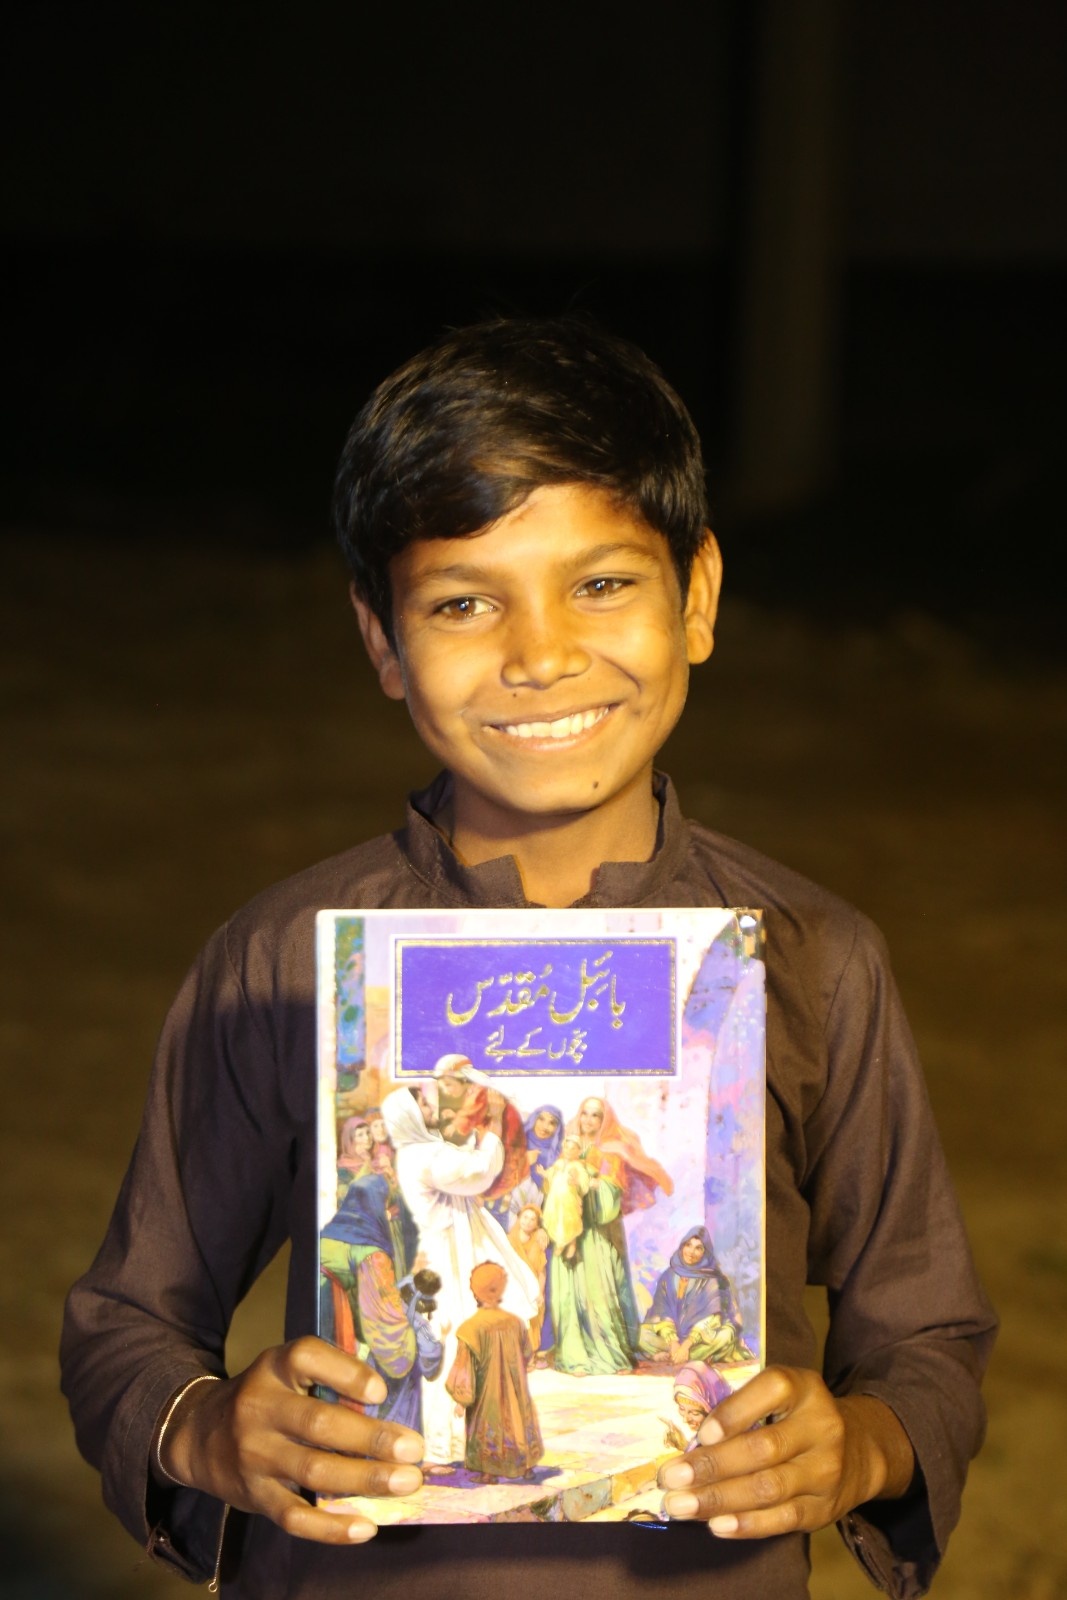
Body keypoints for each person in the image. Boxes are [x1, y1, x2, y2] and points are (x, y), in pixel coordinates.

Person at [60, 314, 996, 1599]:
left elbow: (926, 1338)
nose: (542, 655)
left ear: (697, 597)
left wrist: (859, 1446)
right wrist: (205, 1429)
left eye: (601, 584)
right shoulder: (282, 962)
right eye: (462, 602)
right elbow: (126, 1326)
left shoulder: (810, 961)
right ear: (382, 641)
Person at [381, 1083, 541, 1473]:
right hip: (444, 1260)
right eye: (423, 1103)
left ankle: (456, 1444)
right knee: (449, 1346)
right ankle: (438, 1450)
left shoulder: (421, 1151)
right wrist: (493, 1129)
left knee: (456, 1345)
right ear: (411, 1115)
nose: (430, 1106)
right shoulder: (423, 1154)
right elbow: (478, 1172)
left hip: (451, 1253)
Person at [445, 1262, 544, 1481]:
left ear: (474, 1290)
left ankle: (489, 1473)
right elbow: (527, 1354)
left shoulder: (470, 1329)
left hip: (487, 1396)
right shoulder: (515, 1323)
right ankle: (524, 1466)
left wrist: (462, 1399)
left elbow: (464, 1369)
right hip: (515, 1390)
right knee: (518, 1420)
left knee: (487, 1424)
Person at [638, 1225, 751, 1367]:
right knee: (640, 1334)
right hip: (671, 1337)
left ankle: (677, 1356)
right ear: (682, 1246)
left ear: (705, 1252)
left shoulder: (711, 1278)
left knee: (726, 1335)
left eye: (698, 1248)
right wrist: (673, 1343)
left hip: (701, 1338)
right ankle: (685, 1355)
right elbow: (663, 1313)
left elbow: (712, 1319)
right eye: (688, 1245)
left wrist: (686, 1345)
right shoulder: (668, 1276)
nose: (691, 1252)